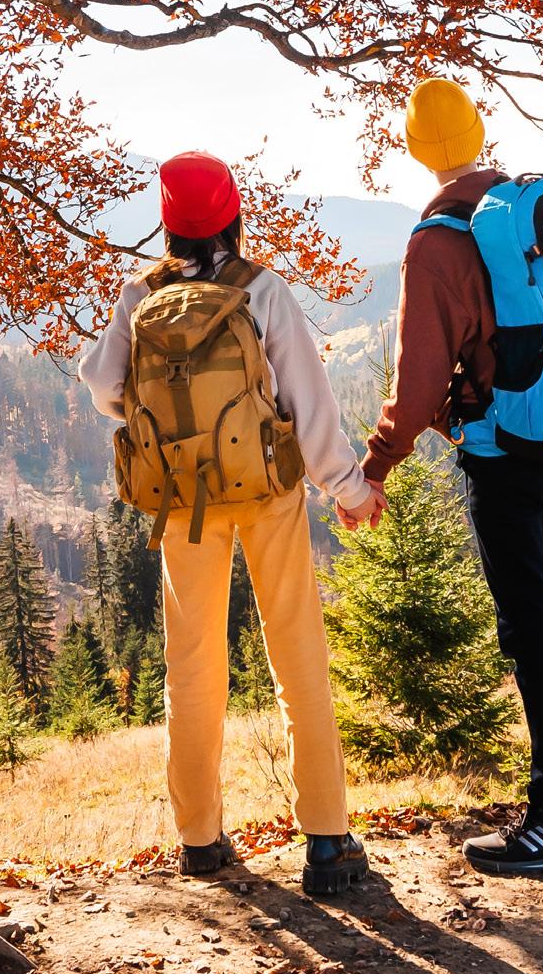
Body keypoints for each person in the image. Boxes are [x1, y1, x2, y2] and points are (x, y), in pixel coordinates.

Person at [80, 150, 377, 898]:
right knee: (296, 650)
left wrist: (160, 416)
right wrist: (347, 487)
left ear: (167, 223)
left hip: (182, 497)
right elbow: (308, 400)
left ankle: (200, 839)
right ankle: (326, 839)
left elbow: (100, 383)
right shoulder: (261, 289)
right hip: (266, 486)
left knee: (192, 662)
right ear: (232, 217)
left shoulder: (139, 294)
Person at [361, 79, 543, 877]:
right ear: (479, 131)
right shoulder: (527, 213)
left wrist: (376, 463)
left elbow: (417, 385)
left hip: (503, 455)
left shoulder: (437, 240)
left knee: (532, 626)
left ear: (413, 148)